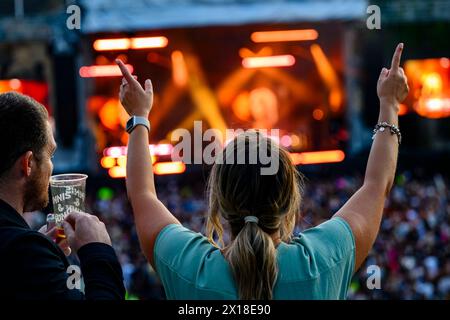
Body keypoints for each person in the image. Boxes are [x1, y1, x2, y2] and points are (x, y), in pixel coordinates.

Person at [115, 42, 409, 299]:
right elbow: (376, 184)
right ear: (290, 198)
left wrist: (139, 118)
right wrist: (390, 104)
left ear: (218, 201)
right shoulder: (321, 261)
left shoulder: (191, 267)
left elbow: (142, 196)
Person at [0, 92, 125, 299]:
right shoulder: (23, 250)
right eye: (50, 155)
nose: (52, 166)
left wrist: (44, 250)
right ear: (28, 163)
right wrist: (98, 251)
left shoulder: (25, 248)